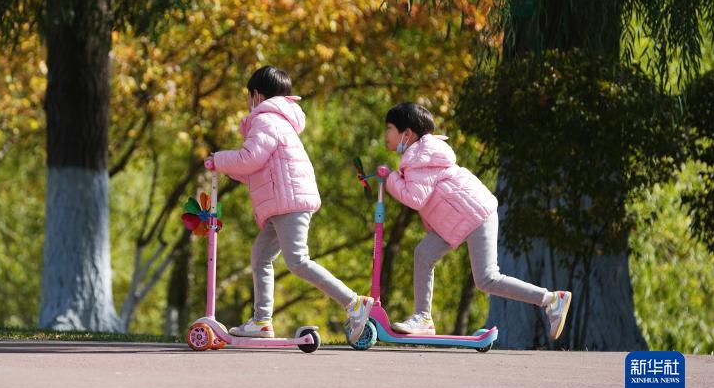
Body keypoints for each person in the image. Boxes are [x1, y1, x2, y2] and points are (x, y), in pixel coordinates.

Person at [205, 66, 375, 342]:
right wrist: (223, 166)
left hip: (288, 202)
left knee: (297, 260)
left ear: (256, 95)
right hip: (282, 202)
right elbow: (256, 169)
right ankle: (262, 321)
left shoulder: (266, 120)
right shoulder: (279, 120)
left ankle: (354, 302)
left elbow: (249, 159)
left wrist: (219, 159)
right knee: (261, 256)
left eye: (248, 97)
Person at [381, 101, 572, 340]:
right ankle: (423, 318)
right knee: (423, 254)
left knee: (487, 278)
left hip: (474, 214)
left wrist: (390, 179)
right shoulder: (421, 154)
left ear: (406, 133)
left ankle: (551, 300)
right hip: (457, 220)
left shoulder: (418, 156)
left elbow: (415, 198)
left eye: (389, 128)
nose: (385, 134)